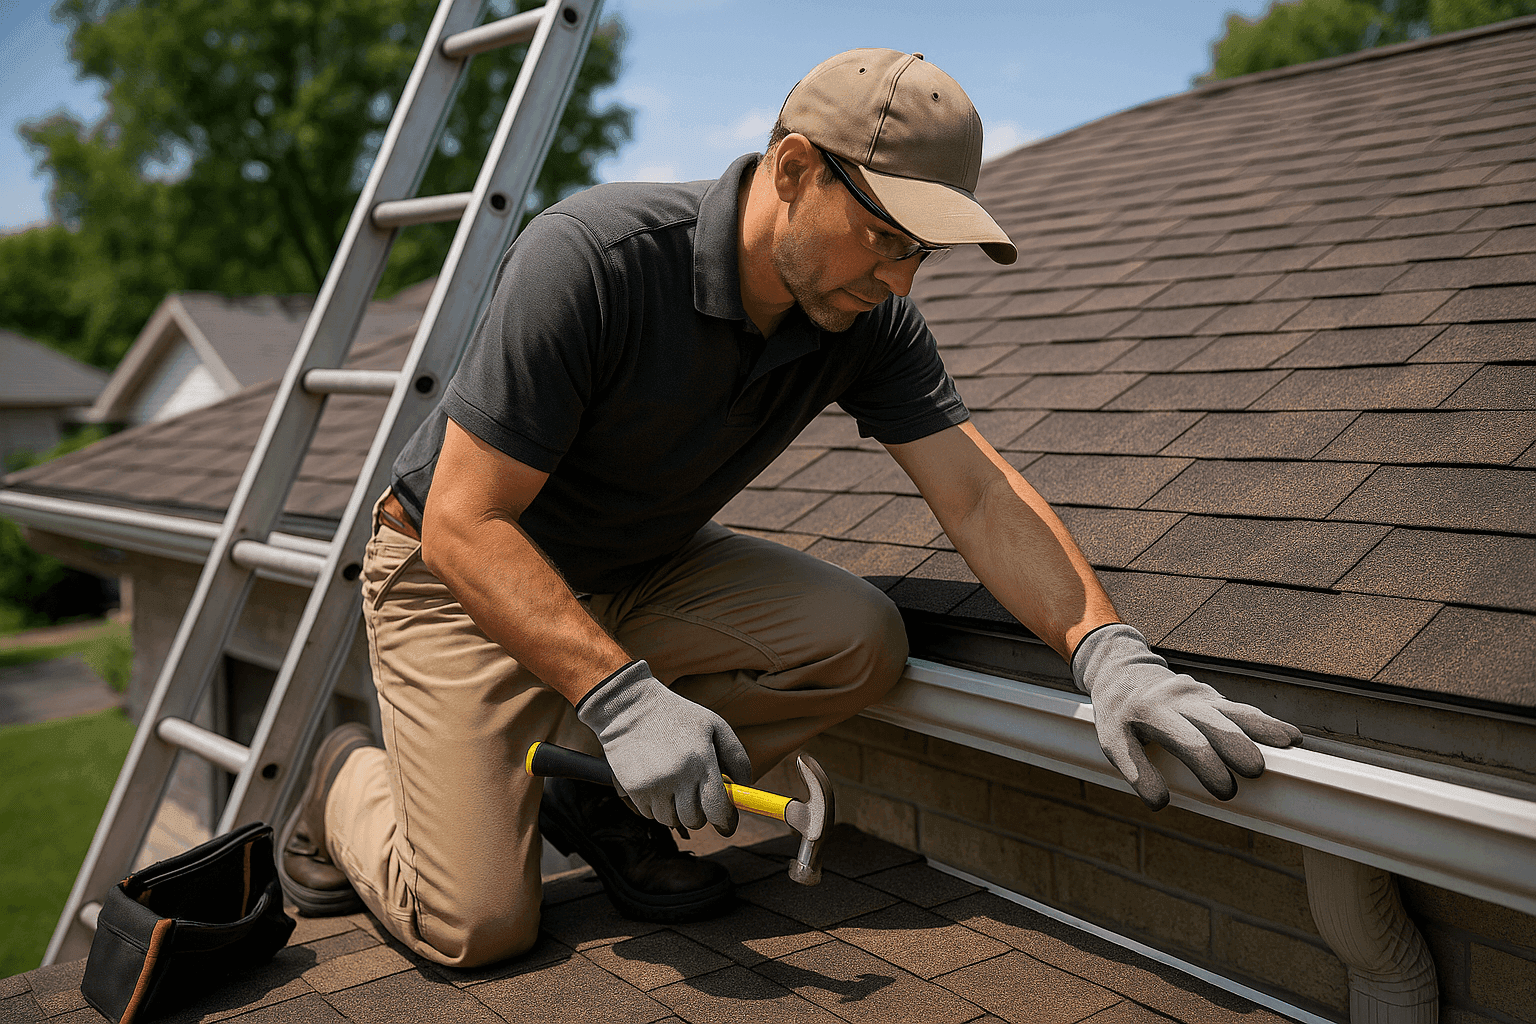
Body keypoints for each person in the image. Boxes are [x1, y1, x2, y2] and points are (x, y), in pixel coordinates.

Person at [277, 48, 1302, 969]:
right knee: (476, 926)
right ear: (795, 168)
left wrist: (1108, 652)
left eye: (923, 252)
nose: (901, 281)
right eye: (885, 236)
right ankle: (344, 782)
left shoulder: (868, 319)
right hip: (460, 580)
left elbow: (978, 492)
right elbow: (465, 523)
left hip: (646, 565)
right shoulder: (594, 258)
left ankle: (597, 796)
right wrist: (623, 702)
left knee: (859, 638)